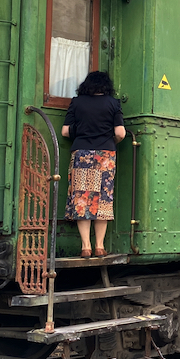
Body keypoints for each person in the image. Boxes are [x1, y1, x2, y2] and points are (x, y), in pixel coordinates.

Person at [61, 71, 126, 257]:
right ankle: (99, 246)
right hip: (104, 156)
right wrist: (109, 141)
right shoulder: (113, 104)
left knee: (83, 199)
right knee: (103, 200)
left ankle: (86, 247)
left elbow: (65, 131)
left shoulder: (77, 102)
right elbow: (120, 133)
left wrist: (82, 131)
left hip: (82, 155)